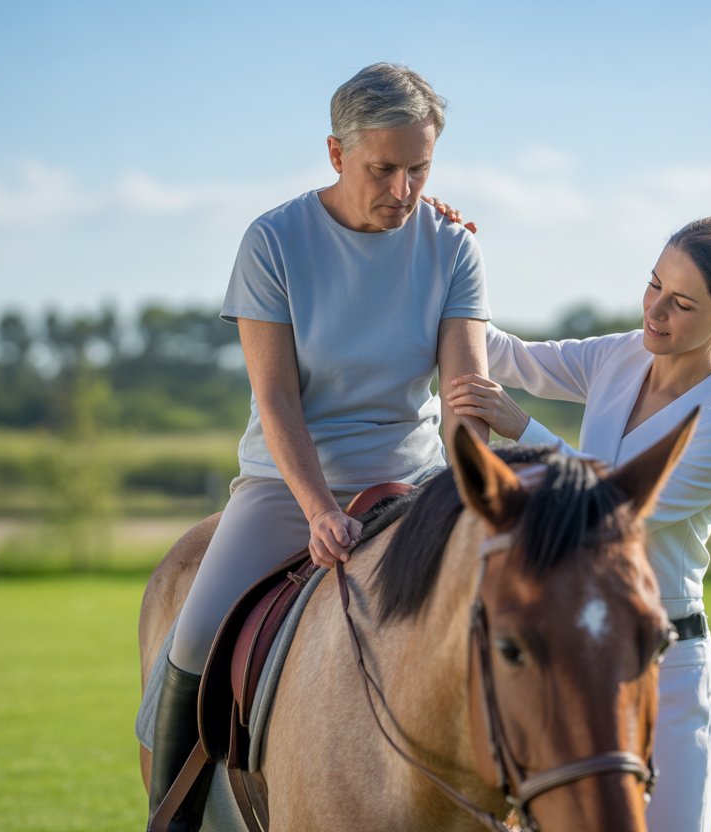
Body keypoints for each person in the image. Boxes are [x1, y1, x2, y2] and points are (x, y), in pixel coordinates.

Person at [146, 63, 491, 831]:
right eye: (383, 169)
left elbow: (464, 392)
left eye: (418, 170)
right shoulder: (273, 241)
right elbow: (275, 397)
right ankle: (170, 813)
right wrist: (317, 509)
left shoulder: (453, 248)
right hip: (288, 484)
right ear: (336, 154)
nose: (402, 190)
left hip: (417, 483)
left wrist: (471, 494)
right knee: (197, 633)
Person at [445, 216, 711, 832]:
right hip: (572, 652)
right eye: (653, 286)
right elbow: (510, 356)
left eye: (682, 304)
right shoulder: (620, 354)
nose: (656, 311)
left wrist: (524, 430)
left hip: (665, 662)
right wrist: (444, 251)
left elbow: (611, 511)